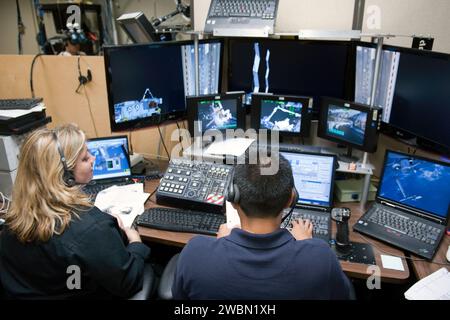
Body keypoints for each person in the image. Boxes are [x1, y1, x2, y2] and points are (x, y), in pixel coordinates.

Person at [0, 124, 150, 299]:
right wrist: (135, 243)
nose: (93, 159)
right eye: (85, 158)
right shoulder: (90, 228)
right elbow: (128, 282)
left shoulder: (12, 219)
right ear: (64, 174)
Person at [172, 154, 352, 300]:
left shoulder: (195, 253)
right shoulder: (321, 258)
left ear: (233, 198)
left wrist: (219, 246)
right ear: (291, 199)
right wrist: (308, 245)